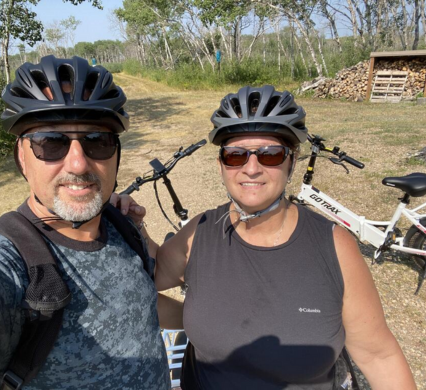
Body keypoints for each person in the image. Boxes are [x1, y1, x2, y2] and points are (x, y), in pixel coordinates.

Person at [0, 56, 178, 390]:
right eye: (50, 142)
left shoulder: (120, 223)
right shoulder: (6, 266)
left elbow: (140, 302)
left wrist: (206, 325)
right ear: (22, 158)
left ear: (116, 155)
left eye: (97, 141)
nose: (79, 163)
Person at [154, 85, 417, 389]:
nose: (251, 169)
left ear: (291, 161)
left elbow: (378, 356)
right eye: (236, 155)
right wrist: (120, 219)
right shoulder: (199, 234)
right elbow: (136, 288)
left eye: (270, 154)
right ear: (221, 165)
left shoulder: (334, 246)